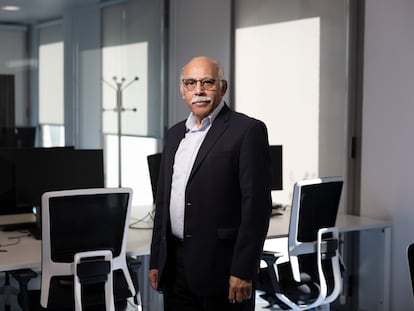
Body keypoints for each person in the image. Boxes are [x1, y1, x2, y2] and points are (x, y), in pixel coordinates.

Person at [148, 56, 272, 311]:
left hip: (223, 269)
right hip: (175, 267)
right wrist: (156, 260)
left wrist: (243, 269)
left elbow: (256, 208)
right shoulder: (174, 134)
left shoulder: (247, 130)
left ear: (223, 87)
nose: (199, 91)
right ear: (182, 90)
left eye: (207, 82)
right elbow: (163, 201)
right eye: (191, 83)